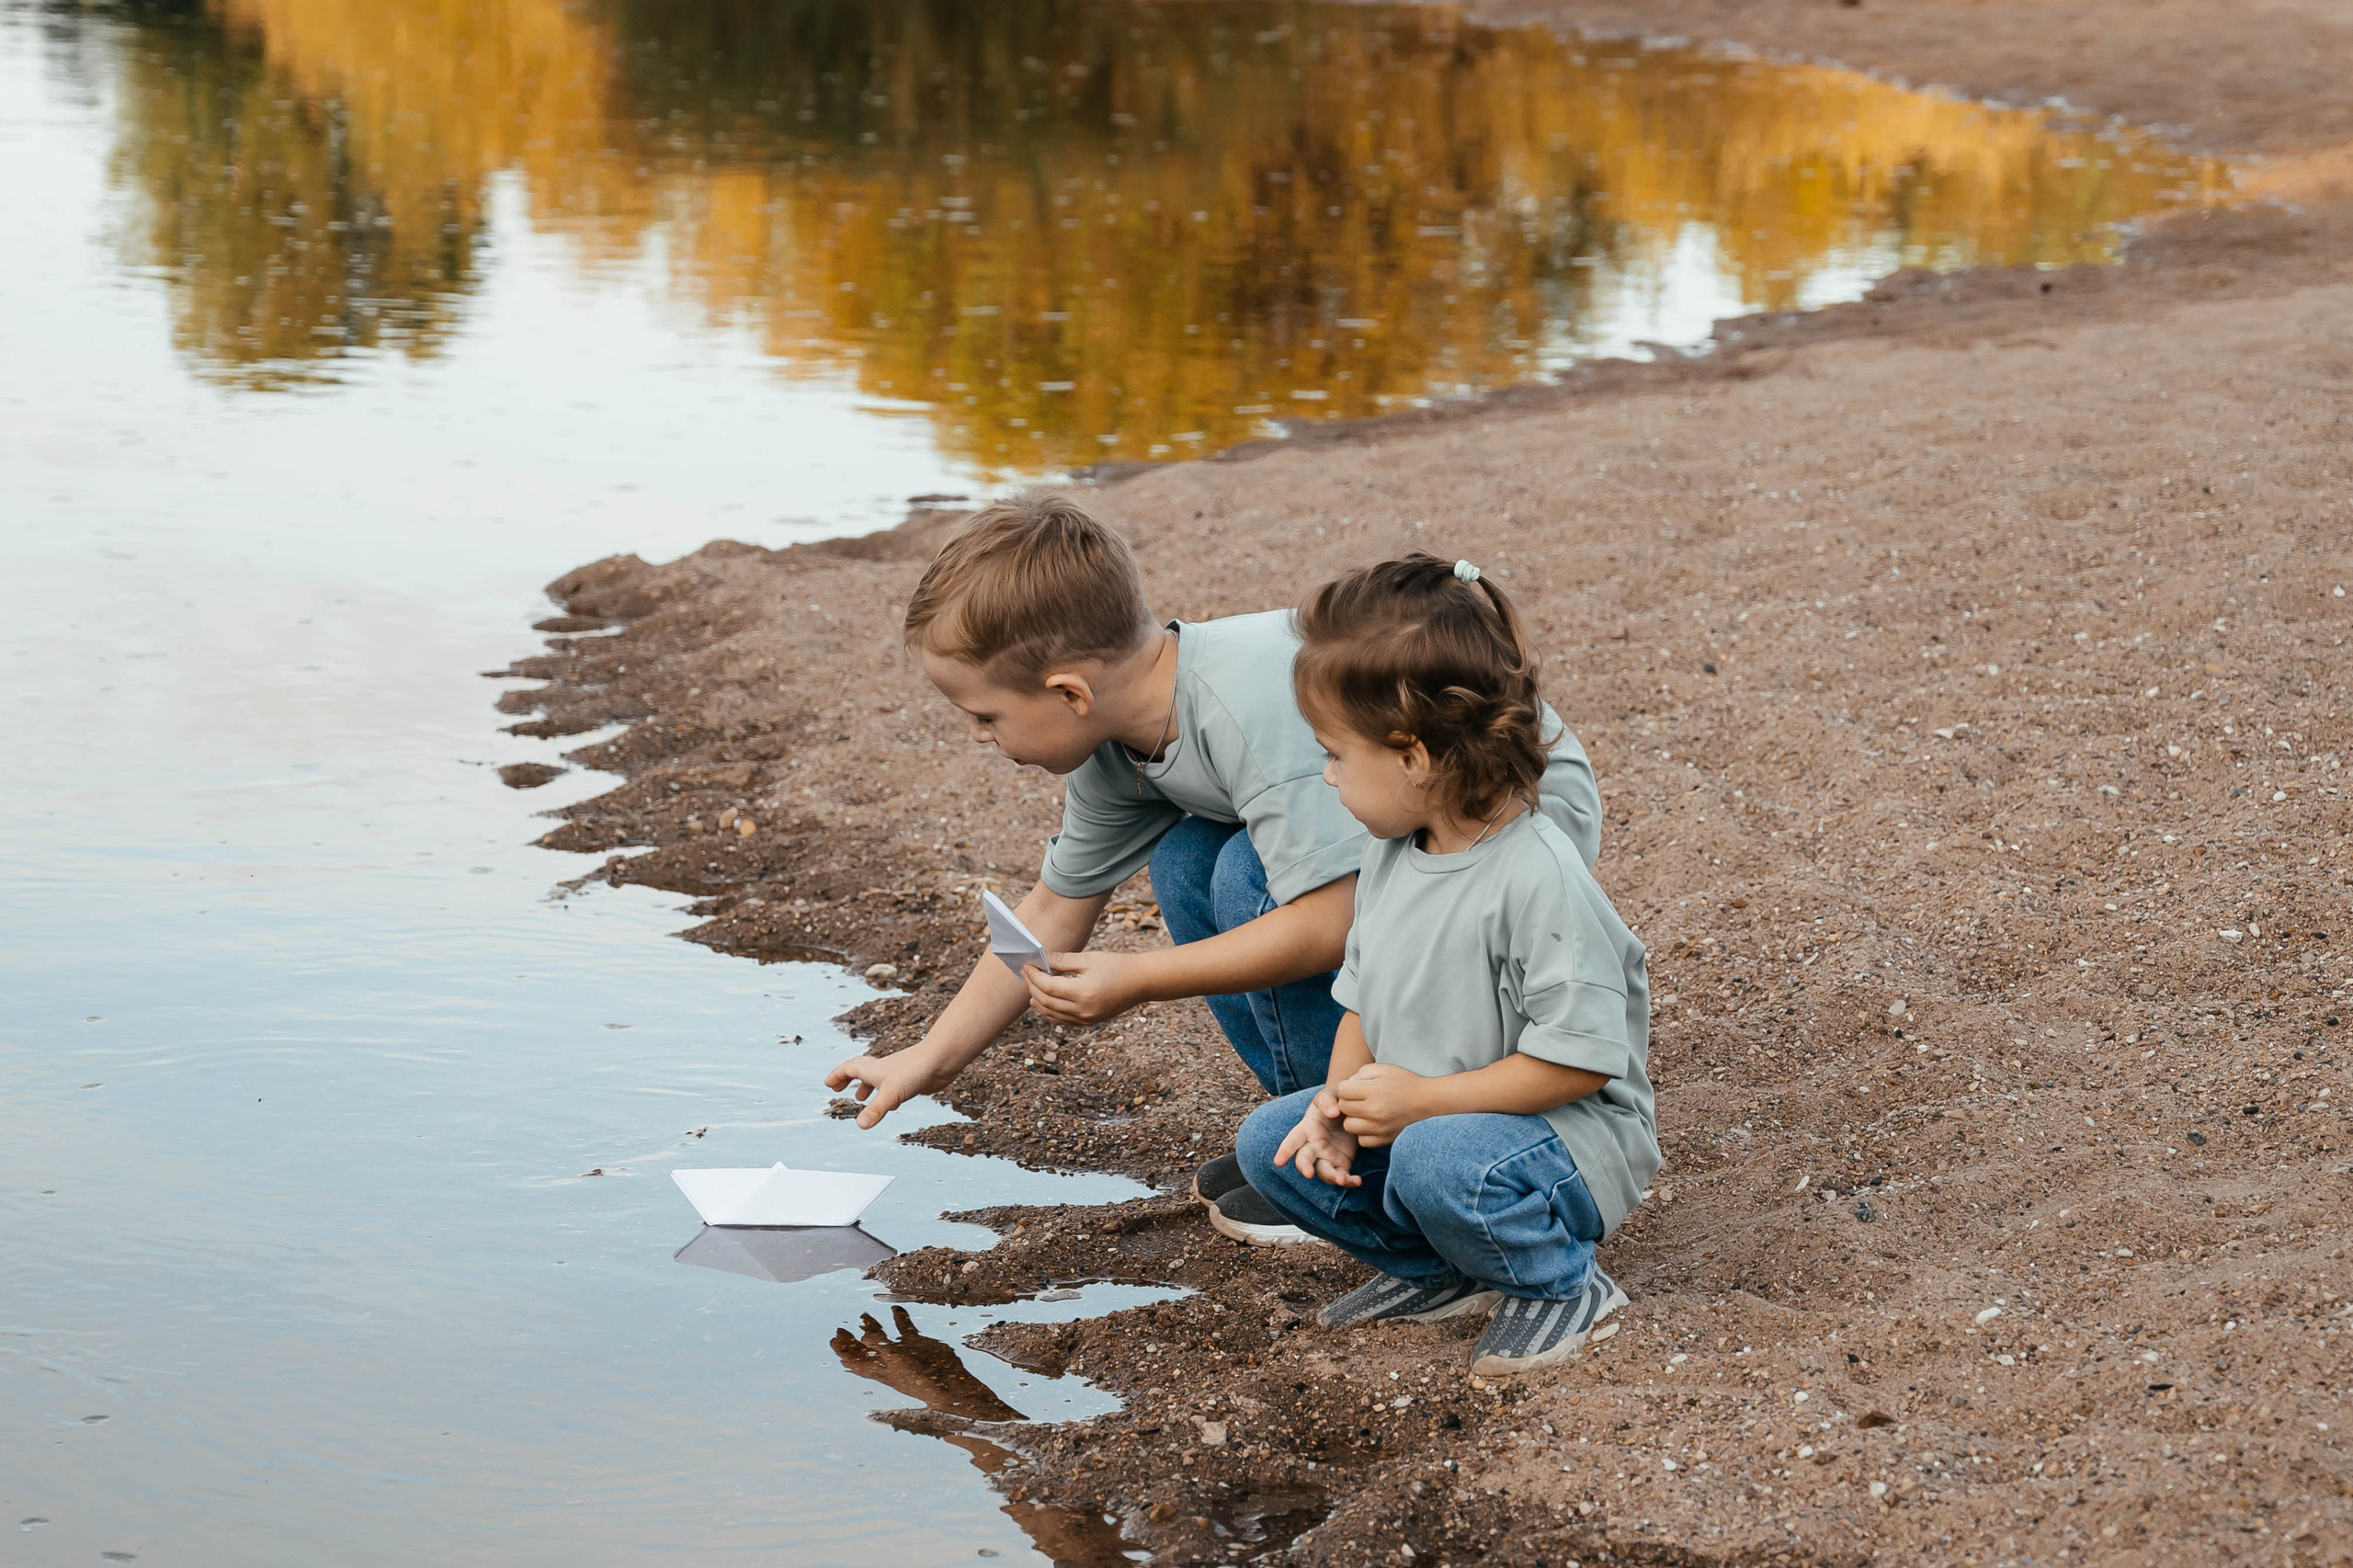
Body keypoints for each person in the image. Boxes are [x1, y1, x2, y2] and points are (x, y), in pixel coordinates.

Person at [824, 496, 1605, 1244]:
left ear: (1069, 692)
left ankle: (1352, 1163)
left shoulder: (1246, 709)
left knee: (1243, 876)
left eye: (984, 715)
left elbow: (1338, 918)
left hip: (1490, 816)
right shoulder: (1113, 750)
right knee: (1190, 856)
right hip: (1385, 830)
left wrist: (1139, 978)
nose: (976, 736)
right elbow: (1052, 912)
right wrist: (924, 1060)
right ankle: (1308, 1126)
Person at [1233, 553, 1657, 1373]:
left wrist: (1423, 1102)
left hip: (1561, 1137)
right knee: (1270, 1144)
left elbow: (1576, 1062)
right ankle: (1444, 1272)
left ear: (1413, 758)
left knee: (1436, 1160)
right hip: (1440, 1116)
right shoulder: (1394, 851)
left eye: (1334, 754)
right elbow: (1360, 998)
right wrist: (1333, 1102)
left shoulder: (1538, 876)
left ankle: (1562, 1285)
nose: (1324, 775)